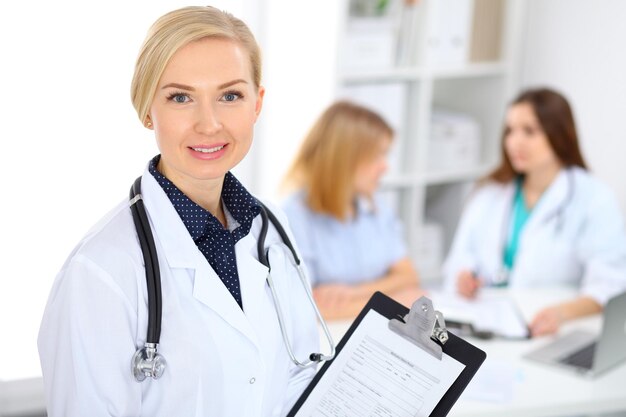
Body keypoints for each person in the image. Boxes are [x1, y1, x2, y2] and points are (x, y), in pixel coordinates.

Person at [37, 6, 323, 416]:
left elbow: (300, 377)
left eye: (230, 96)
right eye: (180, 97)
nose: (209, 124)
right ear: (147, 109)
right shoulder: (100, 271)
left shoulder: (272, 230)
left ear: (257, 104)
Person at [443, 87, 626, 337]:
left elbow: (609, 285)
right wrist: (465, 278)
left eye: (529, 131)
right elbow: (460, 259)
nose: (515, 142)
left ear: (558, 134)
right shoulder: (490, 193)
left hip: (551, 330)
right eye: (510, 131)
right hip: (485, 325)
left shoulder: (593, 198)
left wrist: (561, 313)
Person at [282, 100, 423, 321]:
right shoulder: (293, 216)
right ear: (346, 157)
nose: (385, 166)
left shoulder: (376, 207)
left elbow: (409, 277)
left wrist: (352, 293)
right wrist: (396, 302)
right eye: (379, 155)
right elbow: (304, 308)